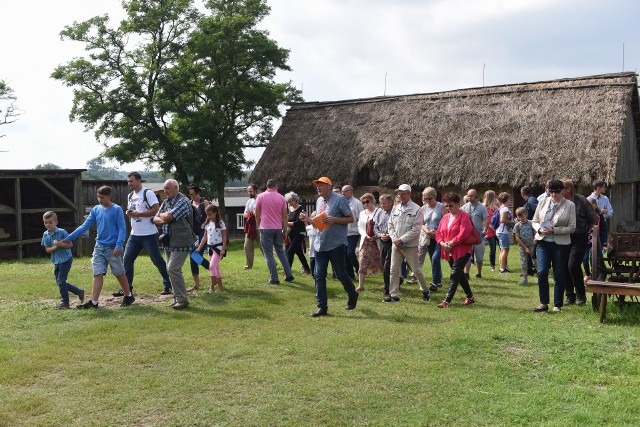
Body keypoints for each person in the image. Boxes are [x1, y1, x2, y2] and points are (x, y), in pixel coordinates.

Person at [65, 186, 134, 308]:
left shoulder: (117, 209)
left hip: (113, 247)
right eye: (98, 197)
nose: (100, 200)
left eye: (102, 197)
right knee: (97, 273)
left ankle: (128, 295)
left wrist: (119, 245)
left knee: (119, 273)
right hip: (99, 247)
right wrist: (69, 237)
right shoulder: (96, 209)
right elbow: (84, 226)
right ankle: (94, 302)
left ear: (109, 197)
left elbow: (122, 229)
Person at [299, 176, 359, 317]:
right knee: (319, 275)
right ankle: (322, 308)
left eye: (321, 185)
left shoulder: (339, 199)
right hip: (320, 244)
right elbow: (320, 222)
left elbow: (351, 219)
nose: (318, 187)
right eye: (317, 185)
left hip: (336, 244)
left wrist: (335, 220)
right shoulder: (319, 200)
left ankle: (352, 294)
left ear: (329, 186)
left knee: (340, 274)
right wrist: (307, 219)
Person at [120, 171, 172, 297]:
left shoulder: (147, 193)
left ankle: (168, 284)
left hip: (149, 234)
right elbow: (133, 210)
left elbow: (156, 209)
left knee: (157, 260)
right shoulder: (130, 196)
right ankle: (128, 289)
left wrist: (139, 214)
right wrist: (130, 213)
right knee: (127, 260)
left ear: (138, 180)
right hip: (134, 234)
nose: (129, 183)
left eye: (131, 181)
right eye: (128, 181)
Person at [532, 179, 576, 313]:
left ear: (562, 191)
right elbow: (534, 221)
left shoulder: (570, 205)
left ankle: (557, 305)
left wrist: (554, 231)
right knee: (542, 271)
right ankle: (543, 303)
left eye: (556, 192)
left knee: (559, 274)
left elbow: (572, 227)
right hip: (543, 242)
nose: (554, 195)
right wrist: (539, 230)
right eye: (551, 192)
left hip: (560, 244)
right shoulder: (542, 202)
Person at [384, 184, 431, 303]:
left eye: (403, 193)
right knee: (393, 270)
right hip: (396, 244)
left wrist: (402, 239)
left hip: (410, 245)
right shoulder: (396, 208)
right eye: (399, 193)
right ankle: (394, 295)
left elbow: (416, 229)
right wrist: (395, 239)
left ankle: (425, 290)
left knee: (416, 269)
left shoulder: (417, 209)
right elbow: (390, 225)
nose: (401, 195)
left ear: (409, 194)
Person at [154, 179, 196, 310]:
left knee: (173, 268)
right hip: (169, 240)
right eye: (164, 188)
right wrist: (163, 216)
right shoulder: (166, 202)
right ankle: (177, 298)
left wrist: (164, 217)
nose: (165, 191)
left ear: (176, 188)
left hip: (182, 241)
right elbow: (155, 219)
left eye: (167, 188)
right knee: (170, 269)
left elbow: (168, 218)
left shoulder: (183, 201)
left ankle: (182, 299)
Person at [561, 179, 598, 305]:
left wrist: (584, 230)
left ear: (568, 189)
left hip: (578, 238)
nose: (557, 191)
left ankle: (581, 295)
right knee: (564, 266)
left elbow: (593, 219)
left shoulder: (581, 200)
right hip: (563, 238)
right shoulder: (559, 202)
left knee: (573, 265)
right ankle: (570, 296)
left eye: (560, 188)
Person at [435, 193, 476, 307]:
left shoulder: (464, 216)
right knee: (459, 275)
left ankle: (447, 301)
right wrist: (443, 243)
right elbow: (438, 233)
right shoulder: (445, 217)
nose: (448, 208)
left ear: (458, 204)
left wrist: (452, 243)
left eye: (451, 205)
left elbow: (464, 233)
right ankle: (470, 297)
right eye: (446, 206)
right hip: (449, 250)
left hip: (462, 250)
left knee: (454, 274)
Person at [42, 211, 85, 309]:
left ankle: (65, 303)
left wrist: (61, 244)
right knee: (59, 282)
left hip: (66, 259)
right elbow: (48, 250)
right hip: (56, 260)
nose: (48, 224)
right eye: (45, 222)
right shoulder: (45, 235)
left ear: (56, 222)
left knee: (61, 281)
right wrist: (56, 247)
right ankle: (79, 292)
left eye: (50, 222)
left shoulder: (62, 232)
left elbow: (70, 245)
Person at [255, 179, 294, 285]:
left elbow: (257, 213)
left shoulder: (260, 197)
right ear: (276, 186)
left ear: (267, 186)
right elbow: (285, 216)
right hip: (278, 228)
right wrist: (285, 230)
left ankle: (274, 278)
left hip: (266, 227)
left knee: (268, 254)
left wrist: (259, 224)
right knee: (281, 252)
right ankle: (289, 275)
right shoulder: (281, 198)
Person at [195, 204, 226, 293]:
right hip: (210, 248)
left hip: (218, 248)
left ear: (215, 213)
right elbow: (205, 237)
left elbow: (224, 237)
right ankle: (220, 288)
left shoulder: (220, 223)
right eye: (207, 214)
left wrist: (223, 249)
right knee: (216, 268)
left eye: (210, 214)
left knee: (211, 266)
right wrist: (199, 248)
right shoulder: (207, 223)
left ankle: (211, 288)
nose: (208, 216)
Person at [355, 192, 383, 293]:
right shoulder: (362, 213)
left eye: (367, 201)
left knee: (382, 262)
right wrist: (365, 235)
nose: (365, 204)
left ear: (372, 201)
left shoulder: (379, 212)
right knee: (362, 261)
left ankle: (387, 283)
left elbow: (383, 225)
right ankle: (360, 285)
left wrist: (376, 236)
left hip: (377, 242)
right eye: (363, 202)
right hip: (365, 241)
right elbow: (360, 227)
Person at [461, 189, 489, 279]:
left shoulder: (482, 207)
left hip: (479, 236)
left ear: (476, 197)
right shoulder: (464, 207)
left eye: (471, 196)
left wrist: (485, 229)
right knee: (467, 256)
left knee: (479, 257)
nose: (469, 197)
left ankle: (479, 273)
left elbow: (486, 219)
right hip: (467, 236)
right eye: (468, 195)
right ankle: (466, 274)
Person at [188, 184, 210, 291]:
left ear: (198, 193)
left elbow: (211, 215)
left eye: (194, 194)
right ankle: (196, 284)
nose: (192, 197)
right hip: (193, 233)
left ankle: (212, 269)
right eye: (190, 195)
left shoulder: (204, 202)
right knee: (192, 257)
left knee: (196, 256)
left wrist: (205, 225)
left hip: (203, 232)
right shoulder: (190, 203)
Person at [285, 191, 311, 275]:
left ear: (295, 200)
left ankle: (288, 271)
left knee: (290, 251)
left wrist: (285, 223)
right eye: (288, 201)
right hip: (291, 233)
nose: (288, 203)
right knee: (299, 253)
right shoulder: (290, 208)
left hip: (300, 233)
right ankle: (307, 269)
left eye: (290, 201)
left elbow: (298, 223)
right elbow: (289, 219)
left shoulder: (301, 208)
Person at [373, 194, 393, 296]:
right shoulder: (379, 212)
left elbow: (398, 227)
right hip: (382, 241)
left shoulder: (394, 213)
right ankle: (397, 281)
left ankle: (387, 288)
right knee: (383, 263)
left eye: (384, 203)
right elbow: (375, 227)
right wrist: (380, 234)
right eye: (381, 203)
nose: (382, 205)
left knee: (387, 265)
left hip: (392, 242)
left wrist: (390, 235)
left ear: (390, 202)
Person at [342, 185, 364, 279]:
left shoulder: (357, 203)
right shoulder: (342, 202)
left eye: (345, 191)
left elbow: (362, 217)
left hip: (354, 232)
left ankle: (360, 270)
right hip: (343, 232)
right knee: (345, 255)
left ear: (350, 191)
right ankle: (350, 275)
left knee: (350, 253)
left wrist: (361, 231)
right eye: (342, 192)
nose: (342, 194)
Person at [513, 207, 536, 285]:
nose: (520, 218)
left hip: (532, 246)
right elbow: (517, 238)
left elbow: (535, 233)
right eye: (518, 217)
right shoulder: (517, 226)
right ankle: (525, 279)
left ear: (526, 215)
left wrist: (535, 241)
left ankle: (540, 279)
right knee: (523, 262)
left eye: (522, 216)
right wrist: (525, 247)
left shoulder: (531, 223)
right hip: (522, 247)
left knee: (535, 262)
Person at [496, 192, 515, 273]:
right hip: (503, 231)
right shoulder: (505, 209)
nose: (510, 200)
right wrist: (513, 223)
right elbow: (503, 220)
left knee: (502, 250)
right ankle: (502, 269)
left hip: (500, 231)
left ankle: (502, 267)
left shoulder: (501, 208)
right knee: (505, 249)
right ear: (507, 199)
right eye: (509, 199)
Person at [589, 180, 613, 245]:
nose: (605, 188)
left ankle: (603, 255)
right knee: (593, 244)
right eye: (604, 187)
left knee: (604, 244)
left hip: (603, 225)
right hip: (592, 225)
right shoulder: (588, 199)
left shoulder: (605, 198)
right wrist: (600, 212)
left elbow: (610, 212)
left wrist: (602, 213)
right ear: (598, 188)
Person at [243, 184, 260, 269]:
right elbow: (245, 214)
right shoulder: (249, 201)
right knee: (247, 246)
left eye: (250, 191)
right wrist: (251, 213)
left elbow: (257, 213)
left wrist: (252, 213)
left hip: (259, 227)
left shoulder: (260, 199)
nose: (249, 193)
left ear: (255, 191)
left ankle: (271, 262)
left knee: (263, 246)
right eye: (248, 191)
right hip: (250, 227)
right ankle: (248, 265)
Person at [483, 190, 500, 271]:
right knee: (492, 249)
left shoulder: (496, 206)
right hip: (490, 230)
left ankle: (504, 265)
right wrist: (492, 227)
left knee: (502, 248)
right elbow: (484, 221)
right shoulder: (483, 207)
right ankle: (492, 266)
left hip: (497, 230)